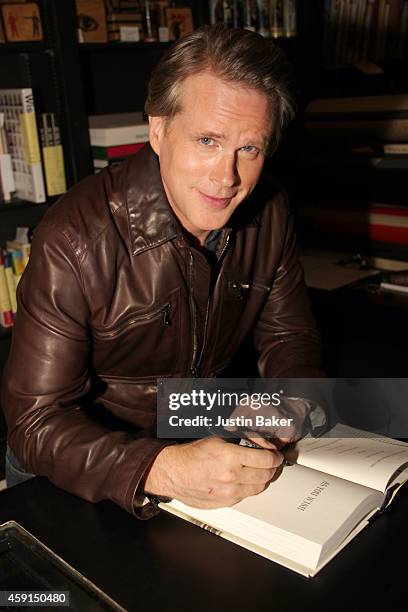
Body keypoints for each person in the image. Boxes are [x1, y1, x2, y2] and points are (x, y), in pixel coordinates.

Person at [1, 25, 322, 518]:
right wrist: (161, 468)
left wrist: (288, 404)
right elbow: (34, 423)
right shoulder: (73, 239)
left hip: (200, 441)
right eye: (207, 140)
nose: (226, 176)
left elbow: (290, 338)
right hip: (72, 470)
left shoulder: (271, 211)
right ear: (157, 129)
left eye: (249, 149)